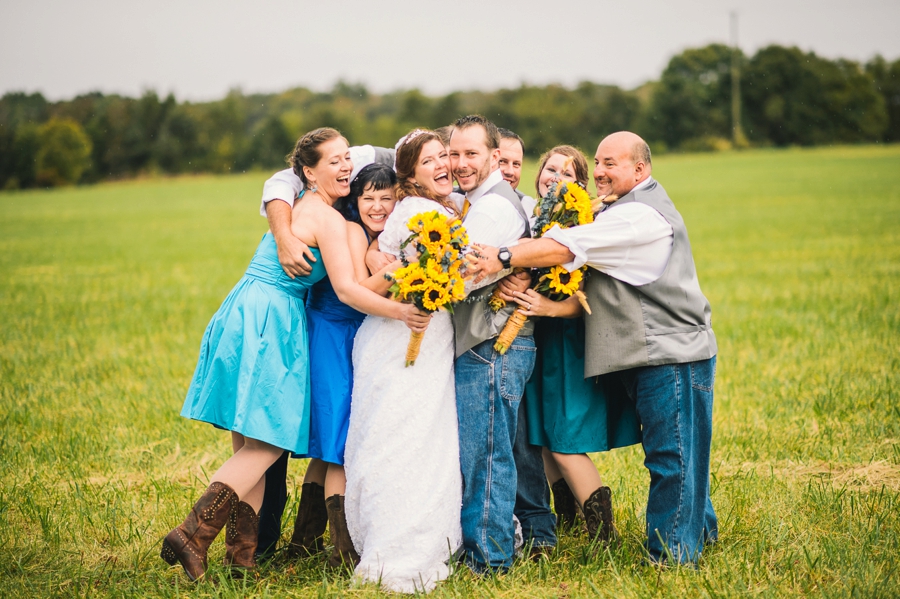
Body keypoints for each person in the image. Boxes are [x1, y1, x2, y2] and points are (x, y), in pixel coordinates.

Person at [161, 128, 428, 582]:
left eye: (348, 159)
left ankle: (241, 562)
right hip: (269, 313)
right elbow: (346, 290)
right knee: (270, 440)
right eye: (334, 162)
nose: (346, 167)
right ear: (308, 172)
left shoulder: (322, 208)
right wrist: (401, 310)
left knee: (250, 438)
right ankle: (192, 534)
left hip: (253, 306)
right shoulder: (320, 215)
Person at [468, 131, 719, 565]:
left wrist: (503, 257)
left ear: (640, 170)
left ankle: (672, 556)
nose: (599, 171)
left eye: (611, 164)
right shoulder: (616, 209)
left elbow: (569, 247)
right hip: (651, 353)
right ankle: (700, 533)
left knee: (673, 457)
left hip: (671, 352)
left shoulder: (637, 217)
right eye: (598, 162)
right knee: (679, 452)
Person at [342, 129, 462, 593]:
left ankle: (412, 533)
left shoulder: (432, 210)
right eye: (430, 159)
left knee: (419, 435)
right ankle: (400, 544)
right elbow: (395, 274)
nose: (443, 163)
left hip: (424, 333)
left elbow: (385, 258)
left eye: (444, 156)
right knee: (403, 434)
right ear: (408, 173)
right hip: (404, 334)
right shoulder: (418, 211)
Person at [512, 145, 641, 542]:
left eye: (568, 175)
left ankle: (604, 533)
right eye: (551, 169)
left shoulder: (582, 223)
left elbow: (587, 296)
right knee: (544, 437)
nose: (556, 178)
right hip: (538, 340)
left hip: (566, 339)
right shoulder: (533, 215)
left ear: (580, 186)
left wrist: (547, 308)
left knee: (564, 438)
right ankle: (567, 520)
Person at [448, 115, 555, 572]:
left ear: (494, 156)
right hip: (490, 342)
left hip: (494, 344)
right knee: (492, 449)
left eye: (470, 153)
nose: (460, 163)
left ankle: (490, 560)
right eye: (454, 153)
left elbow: (457, 278)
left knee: (487, 455)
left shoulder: (492, 209)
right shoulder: (474, 202)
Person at [497, 128, 536, 224]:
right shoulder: (458, 199)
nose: (510, 171)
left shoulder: (527, 210)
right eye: (502, 161)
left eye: (516, 164)